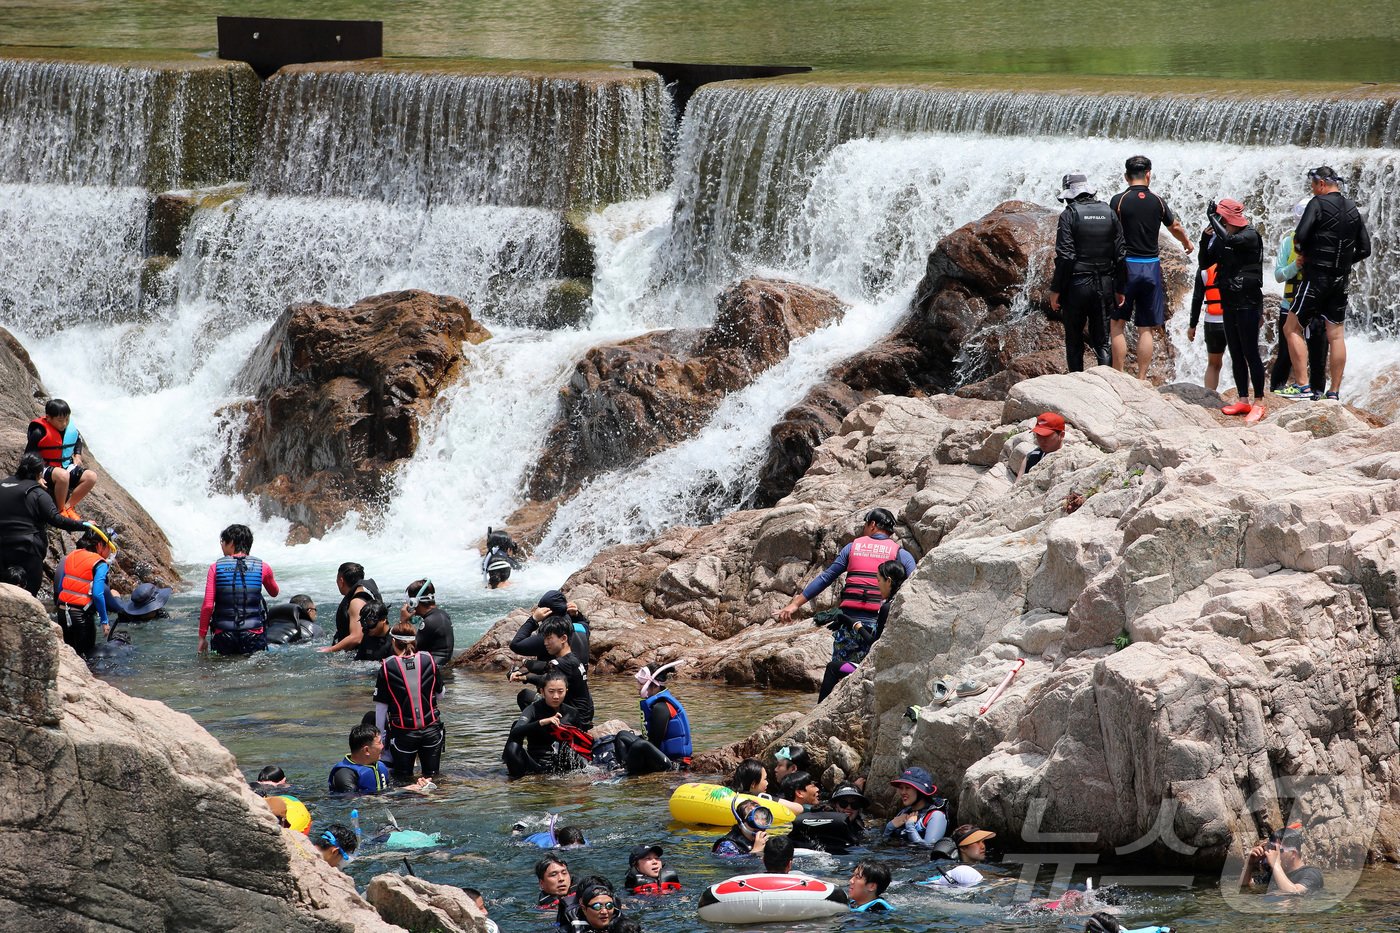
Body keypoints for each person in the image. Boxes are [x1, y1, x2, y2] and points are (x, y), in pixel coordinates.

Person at [1281, 165, 1372, 401]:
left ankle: (1303, 387)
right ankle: (1334, 392)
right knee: (1336, 335)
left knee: (1291, 327)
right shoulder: (1352, 208)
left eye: (1313, 185)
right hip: (1340, 279)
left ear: (1321, 184)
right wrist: (1342, 261)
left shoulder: (1317, 203)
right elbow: (1365, 249)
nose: (1312, 190)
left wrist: (1305, 254)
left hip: (1316, 277)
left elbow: (1300, 237)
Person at [1109, 155, 1193, 378]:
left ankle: (1118, 376)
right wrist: (1186, 242)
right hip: (1151, 267)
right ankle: (1141, 378)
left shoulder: (1118, 200)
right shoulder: (1157, 200)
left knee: (1117, 323)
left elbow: (1111, 233)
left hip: (1126, 267)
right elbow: (1174, 226)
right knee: (1145, 327)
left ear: (1126, 176)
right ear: (1149, 174)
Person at [775, 508, 917, 630]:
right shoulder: (901, 554)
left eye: (865, 525)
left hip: (849, 621)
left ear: (872, 525)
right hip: (879, 622)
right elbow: (915, 586)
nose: (864, 529)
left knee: (842, 663)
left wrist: (795, 604)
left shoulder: (852, 548)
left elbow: (826, 577)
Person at [1049, 171, 1126, 371]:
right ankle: (1106, 387)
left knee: (1074, 341)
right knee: (1102, 341)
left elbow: (1065, 257)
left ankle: (1077, 388)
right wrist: (1120, 287)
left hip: (1077, 286)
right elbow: (1120, 254)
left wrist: (1056, 289)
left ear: (1069, 194)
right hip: (1105, 283)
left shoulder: (1069, 214)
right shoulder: (1109, 212)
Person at [1206, 199, 1267, 422]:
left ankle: (1259, 401)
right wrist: (1206, 236)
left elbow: (1231, 238)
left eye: (1222, 217)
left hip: (1248, 301)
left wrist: (1212, 217)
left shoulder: (1249, 234)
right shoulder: (1222, 237)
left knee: (1250, 351)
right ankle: (1243, 399)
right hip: (1229, 300)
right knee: (1235, 351)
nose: (1220, 220)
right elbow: (1205, 261)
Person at [817, 558, 906, 700]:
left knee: (832, 668)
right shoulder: (898, 602)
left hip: (876, 670)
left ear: (888, 581)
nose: (877, 585)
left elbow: (874, 643)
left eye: (879, 580)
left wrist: (853, 623)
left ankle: (818, 711)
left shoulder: (886, 608)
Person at [0, 452, 89, 595]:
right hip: (28, 548)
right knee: (30, 593)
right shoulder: (37, 493)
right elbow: (56, 519)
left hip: (2, 546)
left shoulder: (2, 485)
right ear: (39, 473)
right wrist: (84, 524)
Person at [373, 621, 445, 782]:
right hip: (432, 731)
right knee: (433, 778)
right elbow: (441, 695)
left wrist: (381, 739)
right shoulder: (429, 659)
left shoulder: (387, 666)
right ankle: (434, 803)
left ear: (393, 642)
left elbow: (381, 709)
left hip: (403, 734)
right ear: (414, 641)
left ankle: (411, 806)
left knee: (404, 781)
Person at [1271, 198, 1328, 397]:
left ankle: (1316, 391)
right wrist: (1296, 265)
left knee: (1318, 352)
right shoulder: (1288, 242)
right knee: (1286, 352)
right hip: (1290, 304)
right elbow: (1278, 275)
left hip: (1316, 306)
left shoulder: (1324, 241)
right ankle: (1277, 389)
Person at [197, 524, 279, 657]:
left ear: (232, 543)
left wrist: (202, 637)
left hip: (223, 634)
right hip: (254, 633)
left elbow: (207, 606)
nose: (222, 545)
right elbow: (274, 592)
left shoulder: (215, 568)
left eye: (223, 541)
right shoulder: (263, 567)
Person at [511, 616, 594, 727]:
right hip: (584, 715)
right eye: (544, 639)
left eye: (549, 638)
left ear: (563, 638)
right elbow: (544, 668)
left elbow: (545, 679)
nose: (545, 643)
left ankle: (539, 733)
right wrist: (525, 668)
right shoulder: (573, 658)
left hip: (574, 718)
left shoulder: (562, 663)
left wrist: (524, 677)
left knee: (525, 696)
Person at [505, 670, 588, 778]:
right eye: (551, 691)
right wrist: (541, 722)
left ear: (566, 691)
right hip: (536, 764)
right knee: (512, 747)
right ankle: (516, 780)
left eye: (560, 691)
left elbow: (581, 744)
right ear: (542, 691)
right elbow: (515, 733)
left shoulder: (572, 713)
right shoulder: (533, 709)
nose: (556, 696)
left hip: (561, 764)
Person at [25, 398, 98, 519]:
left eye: (67, 419)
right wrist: (36, 475)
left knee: (91, 477)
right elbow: (29, 454)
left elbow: (78, 440)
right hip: (45, 467)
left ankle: (69, 506)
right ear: (48, 418)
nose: (64, 423)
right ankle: (60, 511)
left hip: (65, 465)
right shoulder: (39, 432)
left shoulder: (69, 429)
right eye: (60, 420)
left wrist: (77, 455)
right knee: (63, 476)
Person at [55, 526, 119, 658]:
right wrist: (104, 621)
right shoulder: (100, 563)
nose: (109, 553)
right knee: (87, 658)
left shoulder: (71, 556)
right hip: (81, 617)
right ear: (100, 545)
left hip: (62, 612)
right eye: (109, 548)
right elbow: (97, 594)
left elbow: (59, 586)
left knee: (70, 655)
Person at [1187, 216, 1228, 393]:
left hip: (1212, 322)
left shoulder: (1204, 271)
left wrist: (1192, 325)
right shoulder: (1234, 265)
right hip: (1232, 319)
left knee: (1213, 364)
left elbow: (1197, 299)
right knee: (1241, 359)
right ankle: (1243, 397)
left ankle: (1208, 396)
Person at [511, 590, 592, 666]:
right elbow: (584, 622)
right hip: (580, 679)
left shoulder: (550, 638)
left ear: (546, 613)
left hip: (557, 680)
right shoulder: (582, 628)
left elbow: (515, 645)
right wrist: (576, 614)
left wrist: (533, 620)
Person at [635, 661, 692, 768]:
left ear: (654, 684)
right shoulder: (657, 703)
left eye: (642, 683)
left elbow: (654, 744)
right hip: (662, 756)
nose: (638, 686)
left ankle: (625, 773)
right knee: (622, 736)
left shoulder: (661, 707)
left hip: (674, 762)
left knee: (637, 744)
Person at [1239, 827, 1324, 895]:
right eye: (1271, 848)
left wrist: (1276, 865)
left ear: (1293, 853)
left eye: (1278, 850)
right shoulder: (1272, 875)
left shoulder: (1311, 874)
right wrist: (1249, 865)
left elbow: (1294, 893)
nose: (1273, 853)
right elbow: (1244, 887)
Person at [321, 562, 381, 654]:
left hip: (358, 658)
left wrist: (329, 650)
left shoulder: (356, 602)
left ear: (341, 581)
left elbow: (356, 637)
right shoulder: (363, 598)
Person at [884, 766, 948, 846]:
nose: (903, 792)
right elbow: (884, 845)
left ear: (920, 791)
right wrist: (889, 828)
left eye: (907, 788)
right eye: (901, 788)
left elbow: (928, 850)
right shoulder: (903, 813)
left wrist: (910, 827)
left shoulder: (936, 816)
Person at [401, 579, 454, 669]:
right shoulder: (441, 614)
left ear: (414, 602)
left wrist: (403, 622)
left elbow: (409, 650)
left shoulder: (430, 622)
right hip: (442, 667)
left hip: (433, 670)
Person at [923, 824, 996, 887]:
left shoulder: (982, 867)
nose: (983, 846)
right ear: (963, 848)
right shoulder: (960, 872)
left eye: (983, 841)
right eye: (977, 842)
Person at [329, 722, 390, 794]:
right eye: (379, 743)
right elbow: (350, 801)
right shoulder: (345, 774)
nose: (382, 746)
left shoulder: (380, 765)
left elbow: (388, 789)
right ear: (366, 750)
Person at [557, 875, 626, 932]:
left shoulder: (620, 920)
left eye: (609, 905)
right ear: (582, 905)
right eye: (597, 906)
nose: (604, 911)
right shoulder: (567, 928)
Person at [1017, 412, 1066, 479]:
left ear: (1061, 435)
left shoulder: (1071, 459)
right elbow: (1017, 486)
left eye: (1047, 436)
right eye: (1039, 435)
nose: (1042, 440)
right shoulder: (1031, 458)